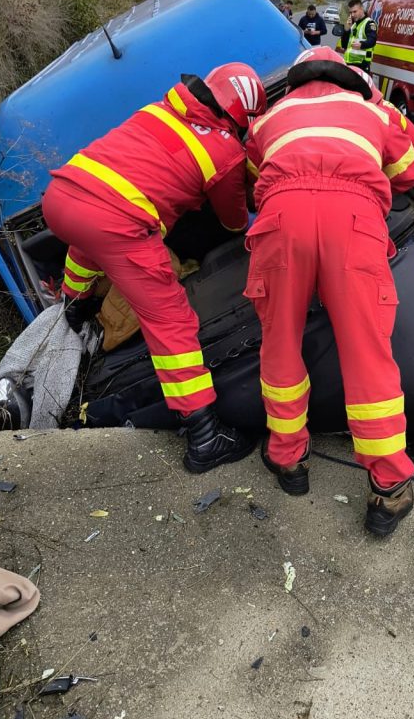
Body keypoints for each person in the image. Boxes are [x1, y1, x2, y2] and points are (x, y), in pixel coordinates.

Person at [41, 64, 267, 472]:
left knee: (88, 244)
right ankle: (204, 435)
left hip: (61, 198)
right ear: (243, 118)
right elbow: (234, 222)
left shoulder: (158, 110)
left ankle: (74, 305)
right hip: (118, 221)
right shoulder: (226, 152)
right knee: (171, 320)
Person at [245, 46, 414, 538]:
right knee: (368, 354)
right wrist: (379, 110)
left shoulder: (270, 117)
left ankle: (288, 459)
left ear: (295, 78)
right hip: (354, 223)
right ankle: (389, 488)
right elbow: (412, 170)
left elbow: (255, 174)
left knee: (280, 342)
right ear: (350, 76)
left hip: (281, 220)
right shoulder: (373, 111)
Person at [340, 0, 378, 72]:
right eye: (350, 12)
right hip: (349, 63)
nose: (352, 15)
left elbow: (372, 40)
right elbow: (344, 45)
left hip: (362, 65)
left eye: (355, 11)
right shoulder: (353, 25)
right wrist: (347, 29)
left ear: (362, 9)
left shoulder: (369, 23)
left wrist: (361, 44)